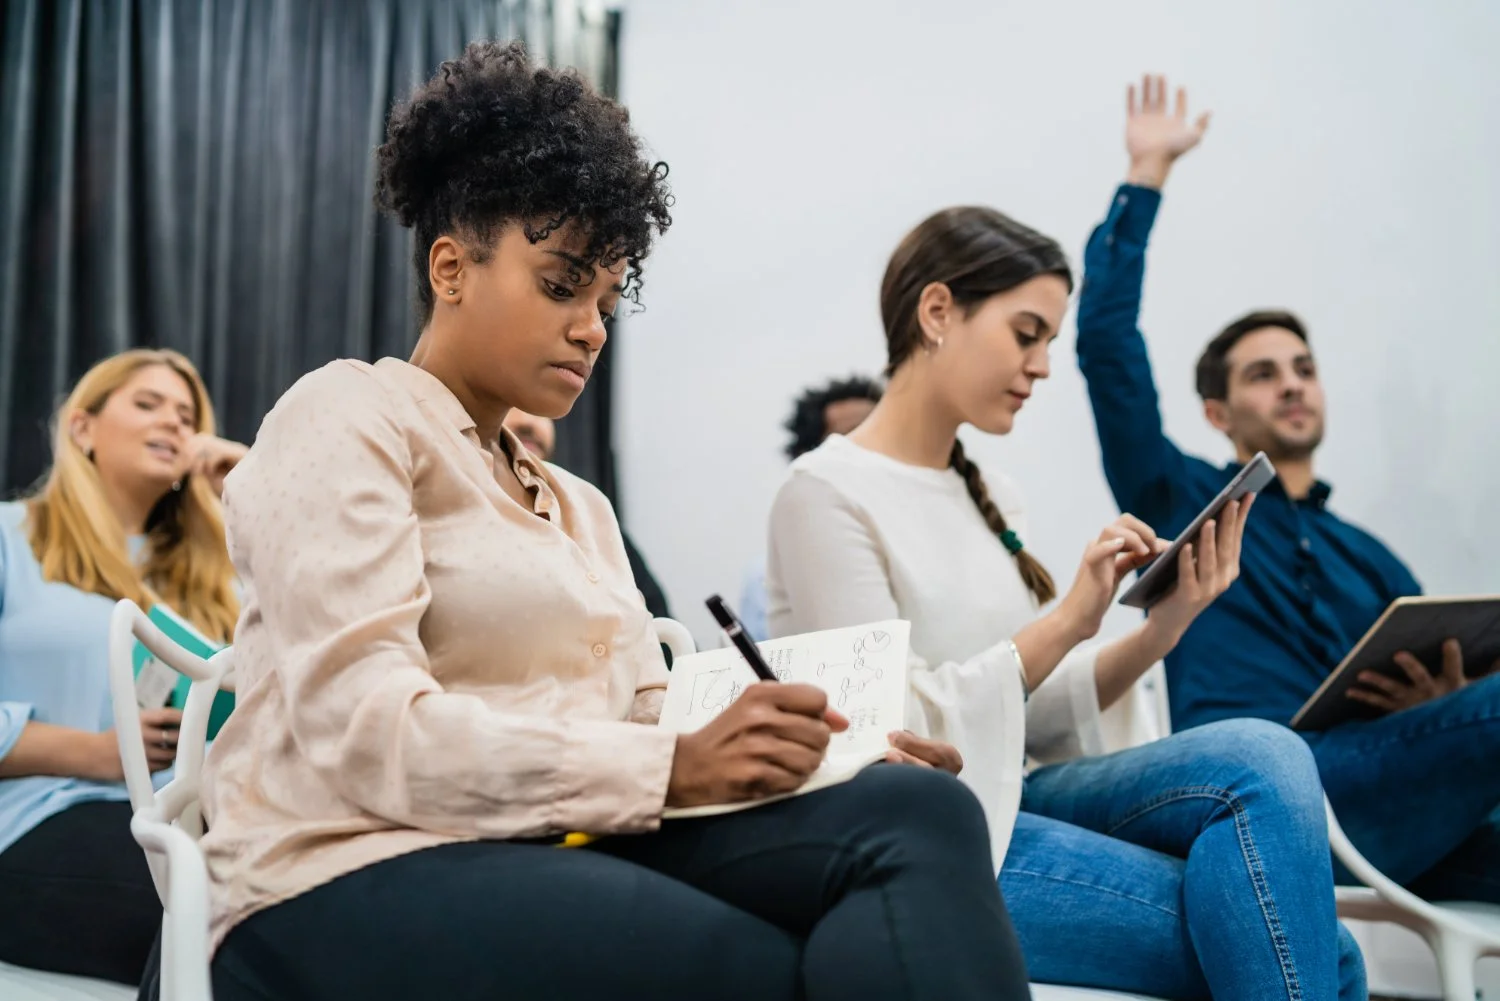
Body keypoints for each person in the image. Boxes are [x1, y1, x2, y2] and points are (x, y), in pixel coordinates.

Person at [195, 41, 1028, 1001]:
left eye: (607, 298)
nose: (592, 325)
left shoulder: (579, 509)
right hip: (338, 866)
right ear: (451, 267)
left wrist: (820, 747)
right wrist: (676, 762)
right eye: (561, 284)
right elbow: (364, 732)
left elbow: (642, 710)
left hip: (557, 834)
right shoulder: (347, 416)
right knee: (782, 966)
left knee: (918, 809)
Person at [766, 200, 1365, 999]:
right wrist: (1069, 619)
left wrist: (1166, 622)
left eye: (1050, 340)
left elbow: (1032, 714)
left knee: (1267, 754)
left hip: (1024, 786)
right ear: (939, 311)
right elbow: (896, 728)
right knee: (1323, 949)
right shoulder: (824, 494)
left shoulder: (994, 494)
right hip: (932, 830)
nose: (1044, 365)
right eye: (1027, 333)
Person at [1076, 75, 1500, 902]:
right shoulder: (1183, 498)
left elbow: (1451, 685)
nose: (1293, 386)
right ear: (1217, 410)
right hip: (1266, 792)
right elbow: (1105, 345)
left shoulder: (1371, 558)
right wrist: (1147, 175)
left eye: (1304, 369)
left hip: (1400, 804)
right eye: (1264, 374)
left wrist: (1449, 699)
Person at [0, 349, 245, 985]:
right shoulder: (9, 540)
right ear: (82, 428)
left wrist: (255, 501)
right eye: (147, 404)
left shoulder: (218, 579)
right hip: (36, 819)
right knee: (224, 898)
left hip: (189, 817)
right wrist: (93, 753)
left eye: (187, 415)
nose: (173, 422)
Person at [740, 376, 882, 639]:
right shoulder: (762, 580)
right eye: (850, 438)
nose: (870, 451)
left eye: (879, 433)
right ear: (807, 456)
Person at [503, 409, 672, 619]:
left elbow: (663, 623)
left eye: (538, 410)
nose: (527, 421)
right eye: (509, 406)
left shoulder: (595, 517)